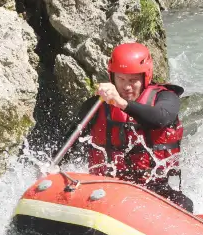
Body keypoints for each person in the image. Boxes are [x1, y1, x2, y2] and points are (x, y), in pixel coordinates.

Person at [74, 41, 194, 212]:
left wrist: (122, 104)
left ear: (145, 77)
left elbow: (160, 118)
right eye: (121, 79)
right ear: (112, 77)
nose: (126, 86)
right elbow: (70, 141)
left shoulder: (167, 98)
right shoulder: (96, 105)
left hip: (154, 187)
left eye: (133, 80)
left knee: (185, 205)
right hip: (106, 188)